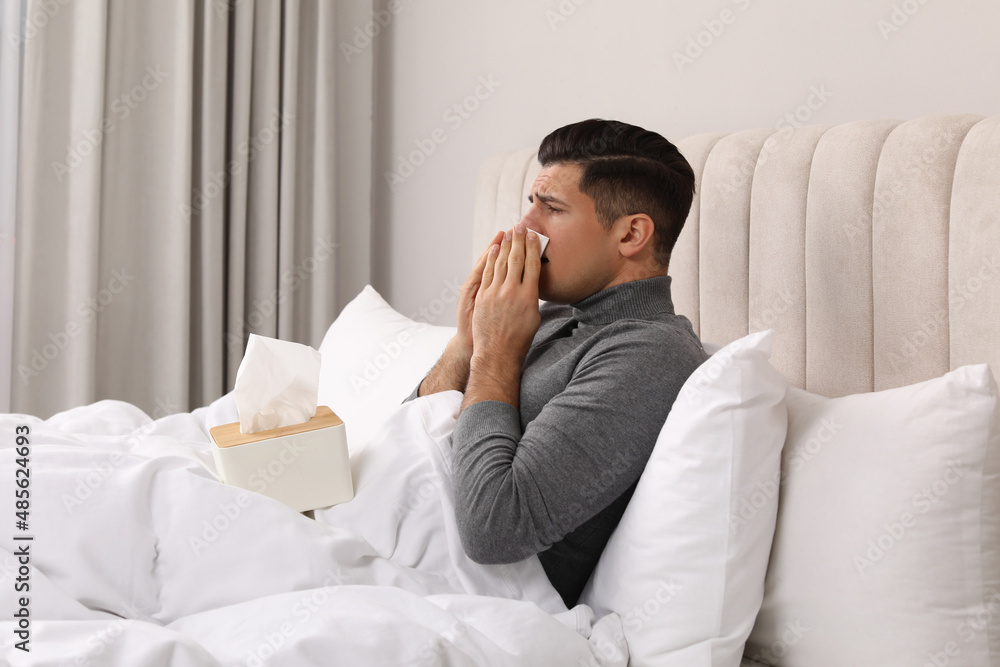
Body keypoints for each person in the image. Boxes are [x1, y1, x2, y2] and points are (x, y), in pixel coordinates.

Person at [409, 119, 709, 607]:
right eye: (531, 204)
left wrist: (496, 355)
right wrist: (466, 343)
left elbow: (495, 531)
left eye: (551, 208)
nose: (523, 229)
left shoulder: (649, 354)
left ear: (631, 234)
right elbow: (404, 434)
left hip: (458, 596)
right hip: (379, 541)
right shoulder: (541, 318)